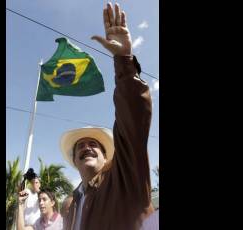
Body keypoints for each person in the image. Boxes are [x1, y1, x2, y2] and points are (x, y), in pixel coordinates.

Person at [59, 3, 155, 230]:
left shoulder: (125, 178)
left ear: (107, 156)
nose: (87, 147)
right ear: (74, 160)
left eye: (94, 144)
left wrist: (124, 61)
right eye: (80, 146)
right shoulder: (71, 204)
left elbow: (132, 120)